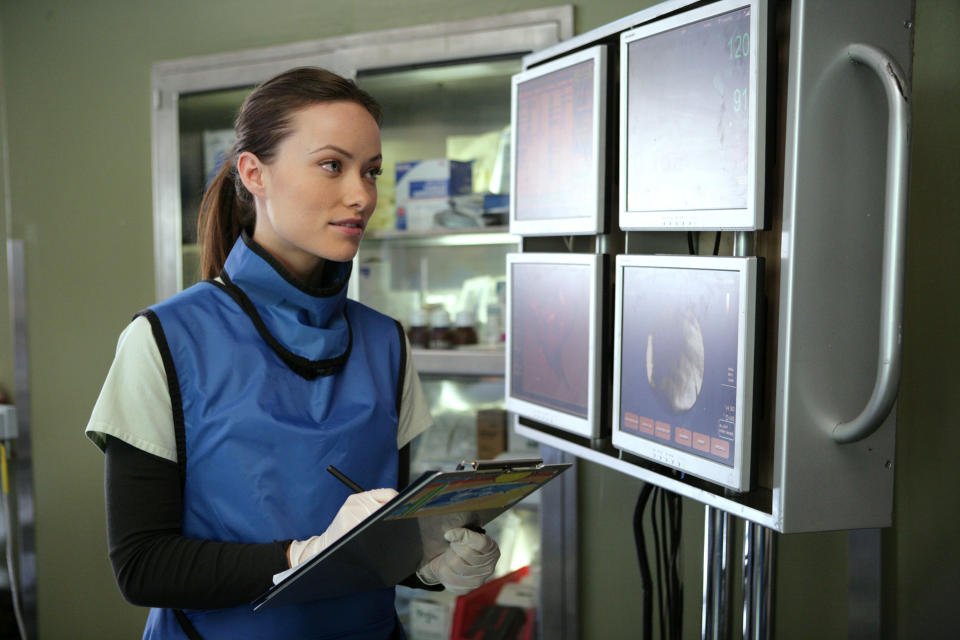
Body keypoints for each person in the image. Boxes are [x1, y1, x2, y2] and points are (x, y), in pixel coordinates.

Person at [85, 67, 500, 640]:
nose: (361, 195)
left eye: (371, 171)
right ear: (254, 173)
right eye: (332, 165)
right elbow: (142, 567)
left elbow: (385, 542)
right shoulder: (163, 339)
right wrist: (300, 555)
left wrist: (432, 564)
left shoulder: (385, 343)